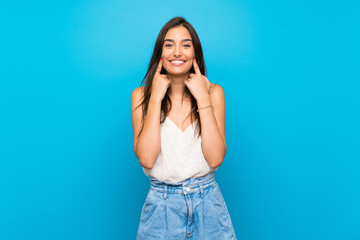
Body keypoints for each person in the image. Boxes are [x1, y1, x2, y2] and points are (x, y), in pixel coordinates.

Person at [131, 16, 237, 240]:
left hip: (208, 205)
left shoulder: (214, 92)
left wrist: (201, 96)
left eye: (185, 45)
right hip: (162, 208)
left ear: (195, 54)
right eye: (169, 44)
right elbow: (147, 159)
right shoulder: (141, 96)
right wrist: (156, 99)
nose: (177, 52)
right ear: (160, 53)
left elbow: (216, 158)